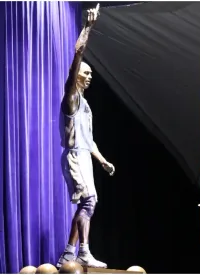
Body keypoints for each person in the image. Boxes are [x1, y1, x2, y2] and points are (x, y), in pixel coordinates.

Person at [56, 4, 116, 268]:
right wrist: (88, 27)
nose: (90, 76)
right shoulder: (71, 97)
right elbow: (77, 55)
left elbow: (88, 139)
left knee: (86, 203)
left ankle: (69, 251)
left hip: (85, 156)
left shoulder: (86, 106)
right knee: (89, 201)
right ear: (77, 77)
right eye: (86, 73)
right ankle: (84, 250)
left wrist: (102, 160)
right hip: (74, 157)